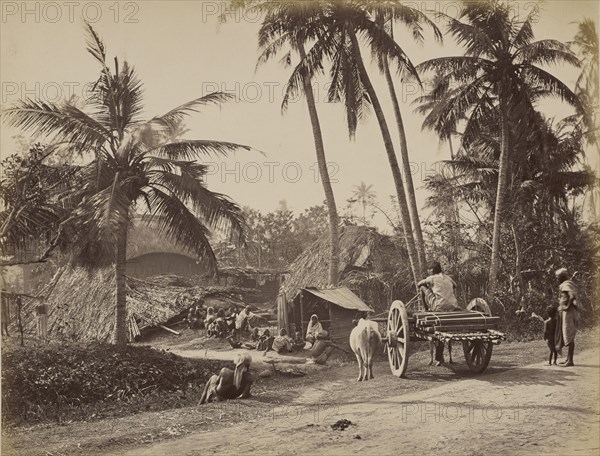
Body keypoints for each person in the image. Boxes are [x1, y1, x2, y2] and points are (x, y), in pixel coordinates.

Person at [417, 261, 460, 365]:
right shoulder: (448, 278)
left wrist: (428, 286)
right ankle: (440, 356)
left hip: (438, 306)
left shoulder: (432, 278)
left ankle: (426, 309)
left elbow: (419, 284)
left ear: (432, 270)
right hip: (453, 306)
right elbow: (455, 286)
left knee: (422, 287)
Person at [555, 268, 580, 367]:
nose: (557, 279)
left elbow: (571, 295)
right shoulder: (567, 284)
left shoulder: (566, 284)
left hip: (569, 313)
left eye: (558, 277)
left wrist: (566, 306)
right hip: (567, 312)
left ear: (562, 277)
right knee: (566, 334)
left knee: (568, 334)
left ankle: (570, 360)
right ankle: (568, 359)